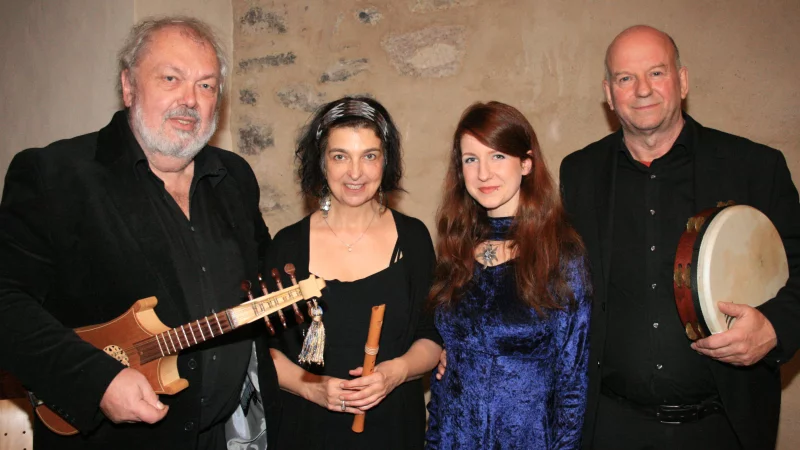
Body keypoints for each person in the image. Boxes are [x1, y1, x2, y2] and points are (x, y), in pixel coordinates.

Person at [0, 17, 280, 450]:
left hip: (226, 437)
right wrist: (97, 381)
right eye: (171, 78)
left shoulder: (235, 177)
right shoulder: (54, 174)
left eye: (206, 86)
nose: (190, 100)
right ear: (129, 85)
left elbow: (260, 285)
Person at [559, 25, 800, 450]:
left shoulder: (755, 167)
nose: (642, 89)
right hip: (610, 428)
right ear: (609, 93)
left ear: (682, 81)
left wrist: (775, 328)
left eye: (657, 72)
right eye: (625, 78)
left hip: (724, 427)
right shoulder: (579, 173)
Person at [263, 96, 443, 449]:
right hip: (307, 432)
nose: (355, 173)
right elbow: (263, 351)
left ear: (386, 161)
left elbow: (432, 337)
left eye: (370, 156)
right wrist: (312, 388)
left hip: (393, 430)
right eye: (340, 156)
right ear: (322, 163)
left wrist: (395, 373)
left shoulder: (413, 238)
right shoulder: (287, 246)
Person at [426, 101, 592, 449]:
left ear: (526, 163)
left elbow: (573, 381)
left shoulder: (560, 255)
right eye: (471, 160)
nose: (483, 173)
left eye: (497, 156)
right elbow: (447, 372)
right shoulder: (456, 248)